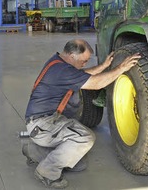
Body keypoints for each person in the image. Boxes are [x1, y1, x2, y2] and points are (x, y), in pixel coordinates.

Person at [23, 39, 140, 188]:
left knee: (79, 164)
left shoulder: (58, 62)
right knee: (85, 138)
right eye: (83, 61)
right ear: (72, 56)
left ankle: (33, 150)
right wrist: (121, 68)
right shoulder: (62, 71)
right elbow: (96, 83)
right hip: (43, 125)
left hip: (43, 123)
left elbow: (82, 74)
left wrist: (104, 66)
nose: (84, 64)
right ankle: (47, 172)